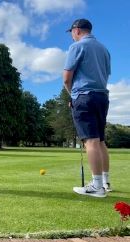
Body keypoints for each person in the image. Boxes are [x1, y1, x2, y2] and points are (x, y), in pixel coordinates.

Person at [63, 19, 111, 198]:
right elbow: (105, 75)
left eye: (71, 32)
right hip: (102, 97)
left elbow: (67, 77)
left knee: (90, 141)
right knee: (100, 141)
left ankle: (97, 186)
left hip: (84, 96)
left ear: (76, 30)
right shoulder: (104, 49)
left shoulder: (76, 47)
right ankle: (105, 182)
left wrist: (72, 96)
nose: (71, 36)